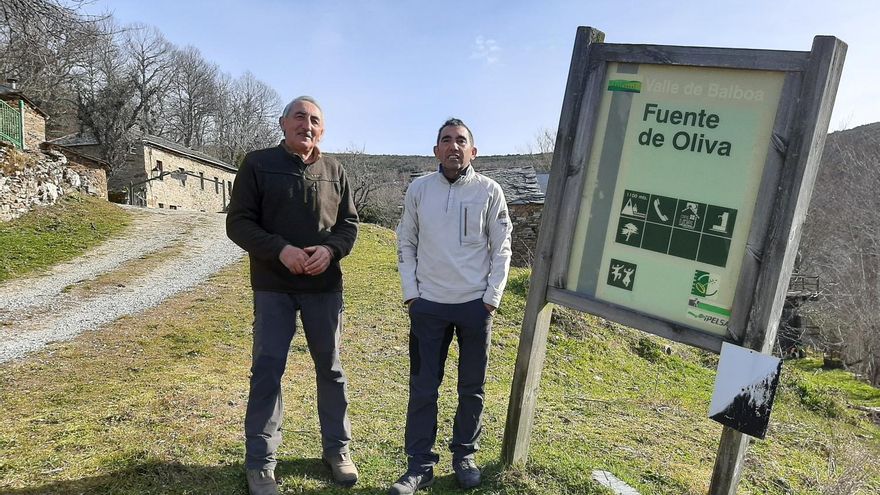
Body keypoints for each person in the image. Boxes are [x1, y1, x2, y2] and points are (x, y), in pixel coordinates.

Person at [226, 96, 359, 495]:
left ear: (323, 129)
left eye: (315, 119)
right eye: (299, 116)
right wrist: (279, 249)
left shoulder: (335, 170)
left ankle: (337, 451)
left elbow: (349, 225)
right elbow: (238, 223)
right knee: (267, 370)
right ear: (283, 123)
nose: (307, 124)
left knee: (331, 370)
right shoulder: (257, 163)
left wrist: (330, 250)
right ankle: (261, 463)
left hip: (323, 288)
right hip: (273, 286)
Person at [391, 118, 512, 494]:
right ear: (436, 150)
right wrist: (412, 294)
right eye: (446, 140)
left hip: (474, 308)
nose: (453, 146)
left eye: (461, 141)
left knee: (471, 388)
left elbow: (502, 248)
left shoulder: (489, 191)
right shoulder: (419, 189)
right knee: (424, 388)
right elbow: (405, 241)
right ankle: (420, 465)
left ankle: (465, 456)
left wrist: (491, 300)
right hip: (429, 307)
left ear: (473, 151)